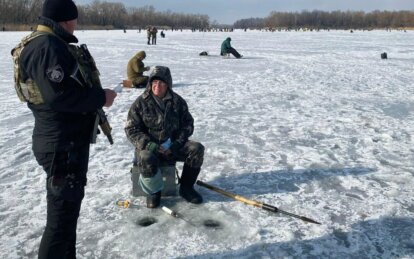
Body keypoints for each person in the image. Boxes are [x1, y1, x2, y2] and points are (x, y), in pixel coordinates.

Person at [11, 0, 117, 258]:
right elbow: (59, 97)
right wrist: (100, 97)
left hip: (64, 141)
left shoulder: (46, 44)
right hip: (61, 145)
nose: (76, 24)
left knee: (66, 220)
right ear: (66, 19)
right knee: (60, 223)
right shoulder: (46, 46)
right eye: (75, 19)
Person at [125, 66, 204, 208]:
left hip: (173, 147)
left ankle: (186, 188)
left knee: (196, 149)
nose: (157, 86)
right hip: (150, 148)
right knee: (145, 157)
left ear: (168, 84)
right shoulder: (140, 103)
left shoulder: (177, 102)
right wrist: (149, 144)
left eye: (161, 83)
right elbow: (131, 129)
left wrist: (176, 144)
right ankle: (154, 192)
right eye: (154, 82)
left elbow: (188, 125)